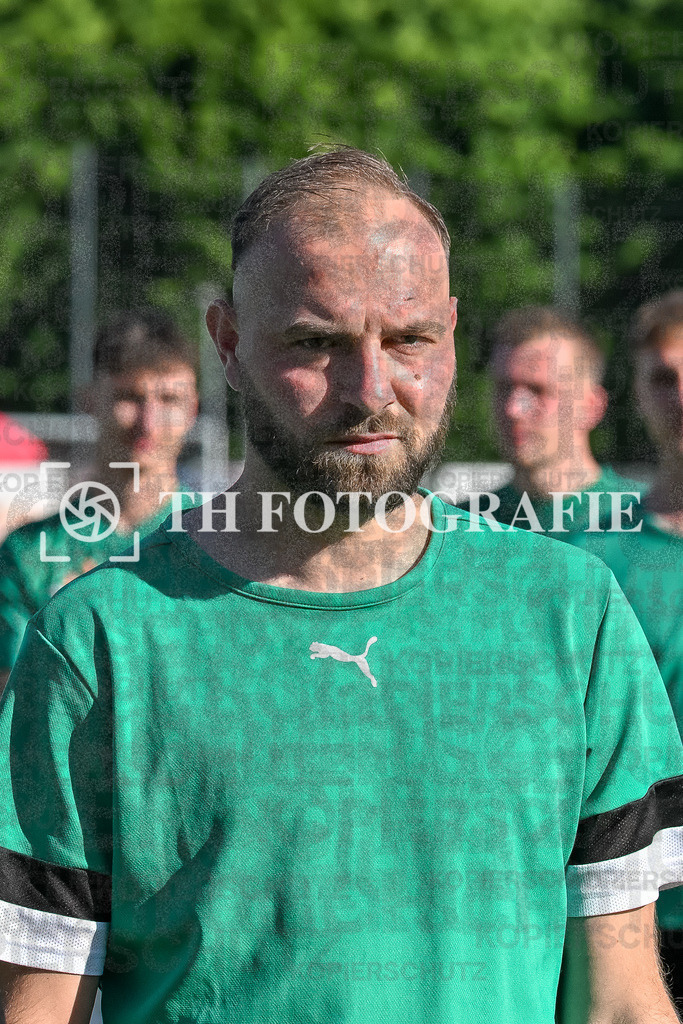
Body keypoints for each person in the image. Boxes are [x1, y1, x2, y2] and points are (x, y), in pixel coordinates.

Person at [0, 150, 681, 1024]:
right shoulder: (101, 642)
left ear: (450, 331)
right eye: (316, 343)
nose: (370, 391)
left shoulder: (569, 615)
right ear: (230, 344)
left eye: (408, 340)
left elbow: (619, 1000)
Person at [570, 290, 683, 1002]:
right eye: (662, 377)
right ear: (633, 394)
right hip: (640, 914)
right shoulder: (592, 561)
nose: (681, 396)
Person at [0, 309, 199, 689]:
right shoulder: (31, 554)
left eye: (170, 398)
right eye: (130, 397)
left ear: (192, 409)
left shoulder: (229, 543)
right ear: (90, 400)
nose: (149, 421)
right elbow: (18, 709)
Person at [461, 306, 645, 537]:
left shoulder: (648, 523)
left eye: (538, 390)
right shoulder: (459, 529)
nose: (513, 409)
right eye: (504, 388)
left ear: (591, 407)